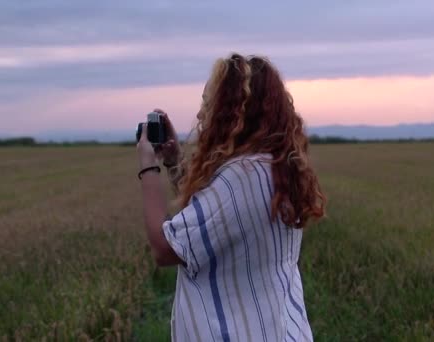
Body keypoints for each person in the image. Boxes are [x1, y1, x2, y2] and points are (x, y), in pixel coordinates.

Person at [136, 53, 326, 341]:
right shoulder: (273, 167)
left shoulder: (243, 177)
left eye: (208, 103)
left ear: (233, 111)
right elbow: (209, 218)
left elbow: (164, 249)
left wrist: (148, 167)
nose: (200, 115)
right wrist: (175, 163)